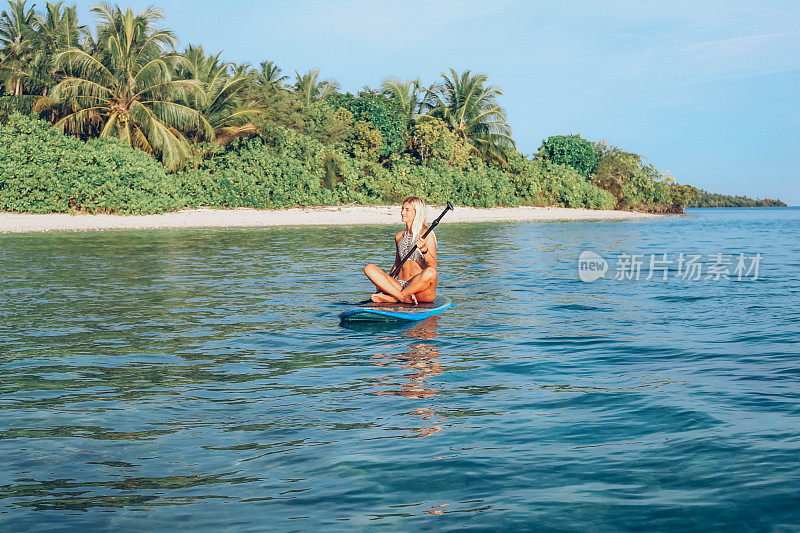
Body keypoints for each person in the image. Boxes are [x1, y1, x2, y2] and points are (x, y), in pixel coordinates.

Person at [364, 196, 438, 305]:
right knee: (369, 268)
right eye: (402, 209)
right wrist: (383, 284)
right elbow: (397, 265)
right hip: (400, 286)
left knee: (431, 272)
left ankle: (394, 299)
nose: (402, 213)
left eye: (407, 210)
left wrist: (424, 249)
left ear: (417, 213)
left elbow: (433, 265)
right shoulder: (399, 236)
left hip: (420, 289)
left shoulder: (427, 234)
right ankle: (401, 297)